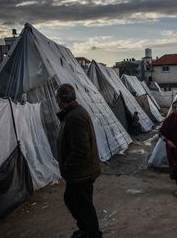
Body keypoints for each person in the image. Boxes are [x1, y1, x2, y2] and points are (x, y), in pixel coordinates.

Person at [55, 84, 103, 238]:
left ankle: (93, 234)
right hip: (81, 171)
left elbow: (82, 149)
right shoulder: (74, 113)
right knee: (73, 200)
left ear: (61, 99)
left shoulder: (75, 117)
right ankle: (86, 229)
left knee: (82, 204)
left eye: (57, 98)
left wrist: (67, 167)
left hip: (82, 172)